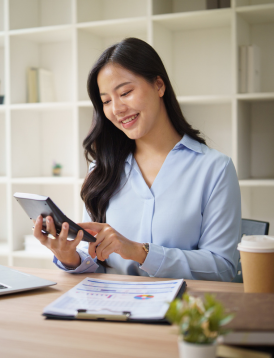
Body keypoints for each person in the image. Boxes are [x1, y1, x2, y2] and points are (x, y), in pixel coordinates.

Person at [33, 38, 241, 281]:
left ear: (159, 85)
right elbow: (94, 259)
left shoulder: (214, 169)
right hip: (112, 308)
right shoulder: (102, 169)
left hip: (184, 311)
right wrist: (71, 257)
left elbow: (224, 268)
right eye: (107, 101)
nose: (117, 109)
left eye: (125, 92)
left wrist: (140, 252)